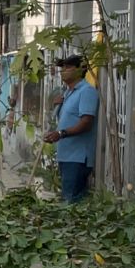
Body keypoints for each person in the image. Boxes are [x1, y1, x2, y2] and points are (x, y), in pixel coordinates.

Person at [43, 55, 99, 203]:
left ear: (81, 69)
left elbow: (86, 123)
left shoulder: (87, 91)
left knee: (71, 202)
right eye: (62, 67)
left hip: (77, 158)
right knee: (68, 200)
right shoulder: (67, 93)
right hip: (66, 155)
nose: (63, 71)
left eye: (68, 67)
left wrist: (61, 134)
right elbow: (66, 120)